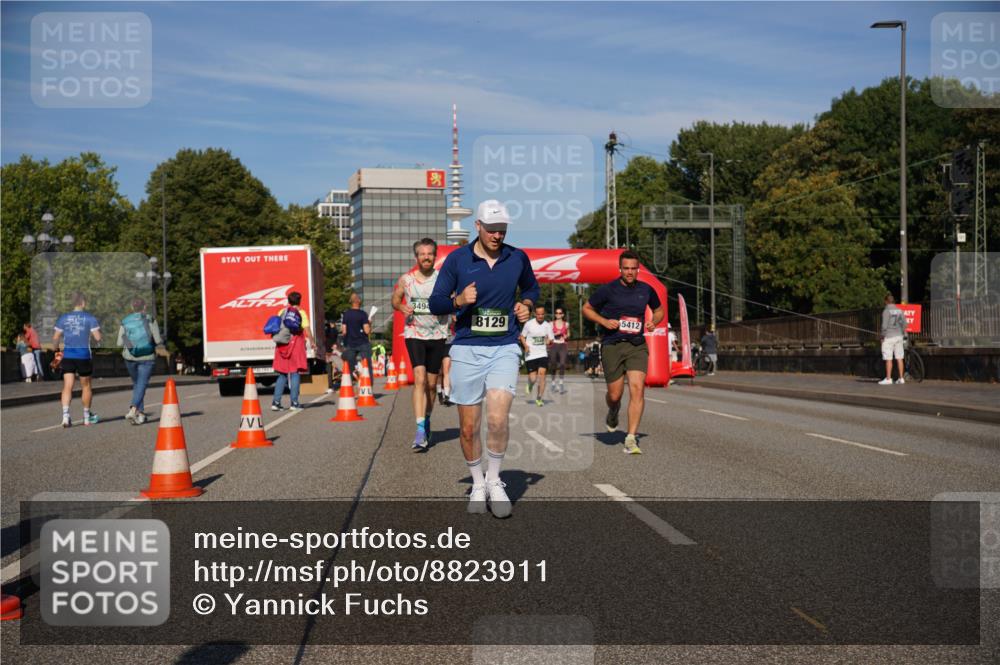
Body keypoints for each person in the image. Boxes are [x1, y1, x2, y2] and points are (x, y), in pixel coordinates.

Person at [429, 200, 539, 518]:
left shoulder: (517, 257)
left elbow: (532, 287)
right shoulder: (457, 260)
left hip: (504, 347)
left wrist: (527, 304)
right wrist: (458, 299)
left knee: (496, 419)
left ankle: (495, 479)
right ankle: (477, 482)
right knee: (468, 428)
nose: (497, 235)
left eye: (502, 230)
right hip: (466, 348)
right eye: (491, 230)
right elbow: (436, 302)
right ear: (477, 226)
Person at [583, 250, 664, 454]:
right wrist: (603, 321)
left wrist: (653, 322)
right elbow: (587, 309)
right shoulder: (608, 290)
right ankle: (613, 410)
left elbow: (659, 310)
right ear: (620, 269)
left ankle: (630, 438)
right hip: (612, 344)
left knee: (637, 388)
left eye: (633, 268)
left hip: (637, 344)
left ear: (638, 269)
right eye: (626, 268)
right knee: (615, 394)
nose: (629, 272)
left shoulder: (646, 289)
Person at [392, 238, 451, 451]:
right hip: (414, 333)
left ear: (435, 257)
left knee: (431, 385)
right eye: (422, 254)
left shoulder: (443, 279)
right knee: (419, 378)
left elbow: (454, 300)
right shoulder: (406, 280)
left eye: (430, 254)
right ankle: (419, 430)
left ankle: (427, 419)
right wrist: (401, 308)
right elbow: (396, 300)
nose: (426, 257)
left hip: (437, 334)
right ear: (416, 257)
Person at [52, 291, 102, 427]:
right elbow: (98, 338)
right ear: (83, 302)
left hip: (68, 355)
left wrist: (57, 353)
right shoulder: (89, 318)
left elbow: (56, 337)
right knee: (86, 386)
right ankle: (86, 417)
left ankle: (66, 416)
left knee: (67, 386)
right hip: (84, 355)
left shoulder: (63, 318)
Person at [118, 297, 163, 425]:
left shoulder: (125, 321)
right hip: (147, 357)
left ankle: (141, 414)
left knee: (138, 384)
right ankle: (133, 409)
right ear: (144, 307)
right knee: (141, 384)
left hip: (130, 357)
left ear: (132, 308)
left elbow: (119, 342)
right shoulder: (150, 319)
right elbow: (158, 340)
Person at [271, 291, 314, 411]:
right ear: (299, 301)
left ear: (288, 301)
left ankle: (276, 402)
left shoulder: (281, 312)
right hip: (296, 344)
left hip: (282, 345)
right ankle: (294, 403)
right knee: (295, 373)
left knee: (282, 374)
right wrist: (312, 342)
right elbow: (307, 329)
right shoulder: (301, 313)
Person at [520, 305, 554, 406]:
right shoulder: (528, 324)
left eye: (542, 314)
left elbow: (551, 339)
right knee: (533, 379)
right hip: (530, 354)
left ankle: (539, 398)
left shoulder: (547, 325)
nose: (540, 316)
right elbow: (522, 337)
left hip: (542, 353)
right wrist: (525, 345)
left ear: (544, 314)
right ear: (535, 314)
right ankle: (530, 384)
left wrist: (549, 341)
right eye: (538, 314)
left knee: (542, 375)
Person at [341, 293, 372, 380]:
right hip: (363, 342)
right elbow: (367, 331)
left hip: (350, 343)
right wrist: (370, 323)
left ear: (351, 302)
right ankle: (368, 384)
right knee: (367, 365)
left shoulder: (346, 314)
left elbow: (344, 331)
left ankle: (349, 383)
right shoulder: (363, 314)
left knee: (349, 366)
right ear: (359, 301)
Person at [879, 293, 908, 385]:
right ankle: (901, 378)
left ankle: (888, 378)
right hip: (899, 336)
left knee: (888, 358)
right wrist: (903, 333)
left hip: (889, 337)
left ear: (886, 301)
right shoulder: (899, 310)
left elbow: (884, 326)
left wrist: (882, 336)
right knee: (899, 357)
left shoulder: (886, 311)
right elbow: (905, 324)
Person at [549, 307, 570, 394]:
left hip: (562, 345)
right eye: (556, 313)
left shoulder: (566, 324)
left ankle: (561, 383)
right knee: (553, 364)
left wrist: (566, 336)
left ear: (562, 314)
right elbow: (548, 334)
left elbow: (568, 333)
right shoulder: (551, 323)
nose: (558, 314)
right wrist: (555, 334)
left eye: (559, 313)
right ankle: (553, 383)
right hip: (554, 344)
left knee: (562, 364)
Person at [437, 318, 456, 406]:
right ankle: (439, 392)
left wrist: (454, 318)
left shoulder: (450, 311)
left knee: (446, 370)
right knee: (439, 372)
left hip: (449, 342)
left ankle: (447, 396)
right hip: (437, 342)